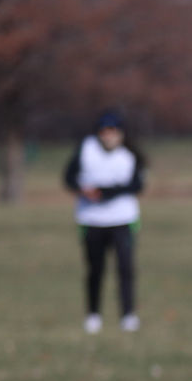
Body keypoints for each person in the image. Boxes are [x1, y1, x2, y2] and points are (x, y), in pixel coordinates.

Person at [62, 111, 145, 334]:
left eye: (112, 131)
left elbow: (137, 185)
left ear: (120, 133)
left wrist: (107, 192)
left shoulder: (129, 154)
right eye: (104, 131)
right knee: (95, 269)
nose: (108, 136)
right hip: (92, 220)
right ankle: (93, 315)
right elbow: (68, 177)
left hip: (122, 219)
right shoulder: (86, 149)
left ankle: (128, 315)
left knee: (125, 268)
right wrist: (83, 191)